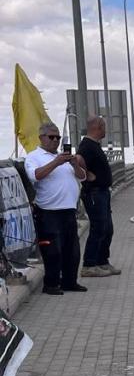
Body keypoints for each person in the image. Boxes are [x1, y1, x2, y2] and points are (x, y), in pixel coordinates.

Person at [24, 122, 87, 296]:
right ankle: (51, 284)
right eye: (51, 137)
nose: (55, 141)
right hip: (48, 211)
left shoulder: (63, 157)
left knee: (72, 250)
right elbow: (35, 175)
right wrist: (56, 163)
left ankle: (69, 282)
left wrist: (73, 163)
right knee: (53, 251)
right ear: (41, 138)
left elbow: (82, 177)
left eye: (58, 137)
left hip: (68, 210)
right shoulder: (34, 156)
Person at [77, 115, 120, 278]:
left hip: (102, 192)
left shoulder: (94, 145)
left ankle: (102, 261)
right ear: (98, 127)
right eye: (104, 126)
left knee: (107, 228)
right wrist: (88, 175)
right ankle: (89, 264)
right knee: (98, 227)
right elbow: (78, 159)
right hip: (94, 193)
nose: (105, 130)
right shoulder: (87, 145)